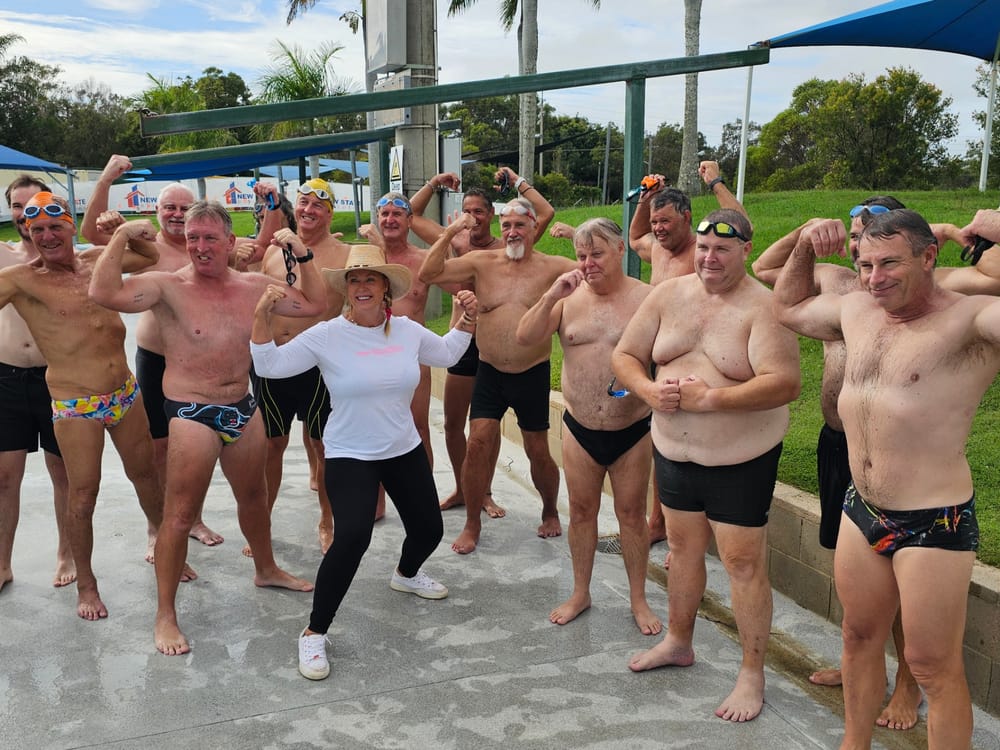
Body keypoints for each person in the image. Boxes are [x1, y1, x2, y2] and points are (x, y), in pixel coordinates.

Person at [773, 208, 995, 750]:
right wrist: (804, 245)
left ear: (928, 256)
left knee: (931, 666)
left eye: (890, 263)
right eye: (865, 264)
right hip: (863, 509)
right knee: (857, 637)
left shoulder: (972, 320)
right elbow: (788, 307)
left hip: (932, 519)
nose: (875, 278)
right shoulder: (857, 310)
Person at [89, 202, 321, 655]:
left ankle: (266, 568)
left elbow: (315, 304)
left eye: (210, 237)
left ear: (230, 242)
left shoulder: (255, 287)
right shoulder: (168, 287)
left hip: (243, 405)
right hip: (193, 411)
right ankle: (165, 615)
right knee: (179, 513)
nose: (199, 246)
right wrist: (118, 238)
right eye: (193, 237)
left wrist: (302, 254)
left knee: (254, 496)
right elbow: (104, 293)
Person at [249, 244, 479, 680]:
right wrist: (261, 317)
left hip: (403, 448)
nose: (361, 286)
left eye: (370, 278)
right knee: (352, 537)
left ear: (386, 287)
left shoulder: (407, 331)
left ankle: (406, 574)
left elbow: (448, 354)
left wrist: (467, 319)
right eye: (354, 280)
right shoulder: (327, 335)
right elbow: (271, 367)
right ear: (346, 290)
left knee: (429, 529)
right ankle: (314, 632)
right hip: (350, 453)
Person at [612, 208, 801, 723]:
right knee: (680, 548)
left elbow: (784, 382)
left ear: (744, 249)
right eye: (702, 248)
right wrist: (649, 390)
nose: (708, 257)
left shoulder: (764, 308)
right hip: (674, 454)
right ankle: (678, 640)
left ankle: (751, 673)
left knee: (742, 564)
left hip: (739, 461)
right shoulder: (667, 295)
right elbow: (625, 356)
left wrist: (713, 399)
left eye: (721, 249)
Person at [0, 192, 169, 620]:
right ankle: (88, 585)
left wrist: (123, 231)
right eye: (36, 230)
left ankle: (170, 553)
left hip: (124, 393)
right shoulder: (22, 279)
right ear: (27, 232)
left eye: (55, 227)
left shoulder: (97, 258)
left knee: (146, 474)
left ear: (71, 226)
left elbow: (149, 256)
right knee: (83, 492)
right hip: (76, 403)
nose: (46, 236)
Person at [516, 218, 660, 634]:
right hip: (580, 426)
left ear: (620, 250)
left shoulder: (647, 299)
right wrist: (550, 296)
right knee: (581, 512)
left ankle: (638, 599)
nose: (588, 263)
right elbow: (525, 337)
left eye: (597, 253)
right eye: (582, 255)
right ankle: (581, 591)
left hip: (632, 427)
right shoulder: (568, 298)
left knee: (632, 515)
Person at [418, 196, 578, 554]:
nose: (512, 232)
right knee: (477, 443)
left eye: (520, 225)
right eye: (506, 225)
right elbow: (428, 274)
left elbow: (598, 266)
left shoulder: (553, 267)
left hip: (532, 373)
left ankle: (550, 510)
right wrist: (450, 232)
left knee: (538, 450)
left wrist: (573, 235)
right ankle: (472, 522)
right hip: (489, 369)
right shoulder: (481, 262)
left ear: (535, 228)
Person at [81, 155, 223, 546]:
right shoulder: (145, 246)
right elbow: (91, 233)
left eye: (183, 208)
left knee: (201, 446)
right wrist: (107, 177)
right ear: (155, 211)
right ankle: (157, 524)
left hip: (196, 362)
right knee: (159, 448)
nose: (177, 215)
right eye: (169, 208)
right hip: (155, 359)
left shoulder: (204, 244)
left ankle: (194, 519)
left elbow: (251, 250)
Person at [408, 167, 554, 517]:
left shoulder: (526, 252)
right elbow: (412, 220)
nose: (472, 218)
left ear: (492, 215)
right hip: (471, 341)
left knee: (520, 440)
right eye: (467, 211)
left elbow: (547, 215)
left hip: (522, 361)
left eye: (479, 211)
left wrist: (517, 180)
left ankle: (505, 499)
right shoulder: (464, 248)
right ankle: (467, 498)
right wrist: (434, 187)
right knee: (470, 431)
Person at [628, 162, 749, 557]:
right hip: (659, 361)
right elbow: (634, 238)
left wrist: (714, 182)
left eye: (665, 221)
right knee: (659, 442)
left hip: (703, 368)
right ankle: (661, 521)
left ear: (688, 219)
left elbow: (741, 224)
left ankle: (674, 525)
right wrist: (645, 203)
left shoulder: (698, 255)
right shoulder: (657, 251)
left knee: (686, 446)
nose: (658, 228)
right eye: (655, 221)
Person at [252, 178, 350, 554]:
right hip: (275, 362)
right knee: (271, 445)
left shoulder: (343, 254)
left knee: (323, 444)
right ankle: (265, 517)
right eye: (304, 203)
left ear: (330, 213)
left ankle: (327, 518)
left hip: (320, 365)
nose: (309, 210)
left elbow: (342, 304)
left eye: (318, 206)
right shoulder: (275, 251)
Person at [0, 176, 72, 591]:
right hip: (7, 375)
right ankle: (3, 561)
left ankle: (66, 553)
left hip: (55, 377)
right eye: (18, 206)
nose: (27, 214)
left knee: (62, 472)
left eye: (37, 205)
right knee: (5, 477)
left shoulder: (65, 258)